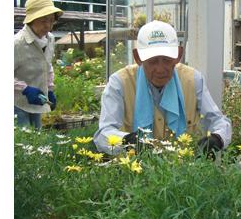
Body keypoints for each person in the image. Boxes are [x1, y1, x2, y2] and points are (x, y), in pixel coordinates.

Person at [94, 21, 232, 155]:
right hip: (133, 171)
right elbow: (103, 133)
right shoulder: (120, 83)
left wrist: (218, 138)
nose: (160, 69)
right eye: (152, 61)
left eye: (167, 60)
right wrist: (126, 141)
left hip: (185, 172)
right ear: (138, 58)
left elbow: (218, 120)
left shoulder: (193, 80)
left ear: (178, 55)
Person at [14, 0, 62, 128]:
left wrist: (50, 89)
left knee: (36, 141)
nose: (48, 25)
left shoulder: (50, 39)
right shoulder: (17, 44)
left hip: (36, 102)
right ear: (31, 20)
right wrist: (25, 89)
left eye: (51, 20)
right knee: (22, 143)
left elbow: (47, 65)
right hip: (16, 103)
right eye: (43, 20)